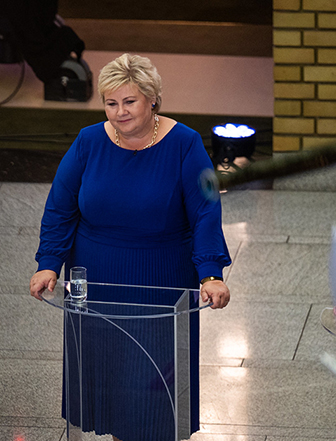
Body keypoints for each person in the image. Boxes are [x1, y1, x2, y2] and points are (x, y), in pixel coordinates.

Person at [29, 53, 231, 441]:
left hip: (160, 280)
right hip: (97, 278)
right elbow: (60, 208)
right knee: (108, 378)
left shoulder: (185, 144)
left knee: (153, 387)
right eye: (110, 103)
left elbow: (206, 213)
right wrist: (48, 263)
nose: (119, 112)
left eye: (129, 101)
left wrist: (210, 273)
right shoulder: (89, 141)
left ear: (152, 98)